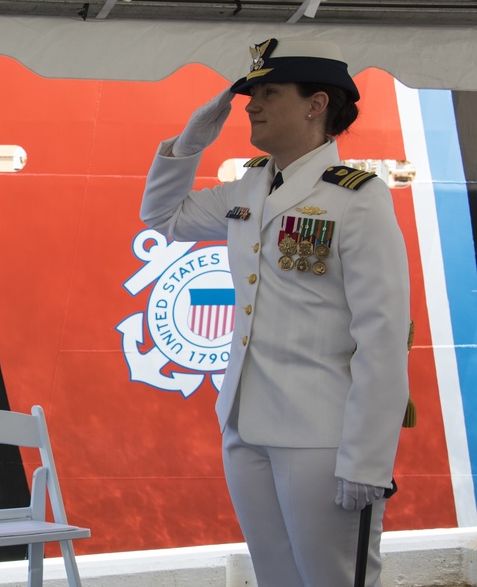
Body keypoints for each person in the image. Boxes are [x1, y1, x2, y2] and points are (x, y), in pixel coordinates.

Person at [139, 38, 410, 586]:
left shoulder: (356, 198)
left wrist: (368, 459)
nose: (251, 105)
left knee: (334, 579)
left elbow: (382, 337)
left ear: (316, 105)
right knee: (276, 578)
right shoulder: (250, 186)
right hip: (246, 424)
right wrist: (187, 145)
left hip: (322, 435)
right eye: (250, 94)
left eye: (269, 92)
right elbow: (161, 217)